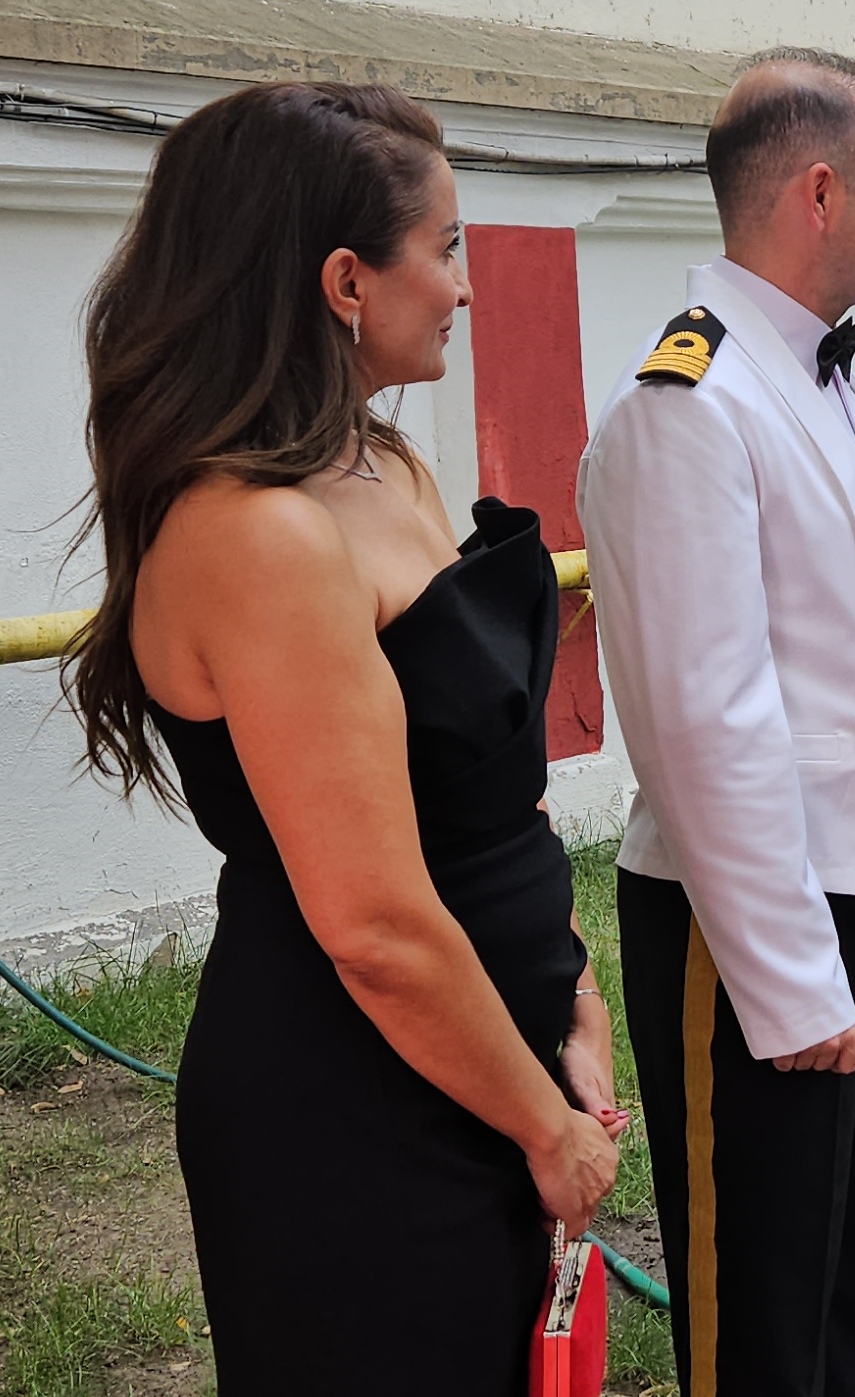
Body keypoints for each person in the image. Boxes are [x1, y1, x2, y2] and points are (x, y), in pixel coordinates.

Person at [67, 82, 622, 1391]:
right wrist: (546, 1127)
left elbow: (490, 792)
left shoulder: (388, 465)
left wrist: (573, 993)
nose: (465, 286)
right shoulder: (257, 533)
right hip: (354, 1112)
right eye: (445, 249)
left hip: (490, 1068)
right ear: (344, 281)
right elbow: (371, 922)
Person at [577, 50, 855, 1396]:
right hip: (754, 916)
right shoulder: (687, 404)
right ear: (820, 193)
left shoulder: (818, 376)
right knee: (761, 1314)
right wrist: (790, 978)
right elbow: (703, 720)